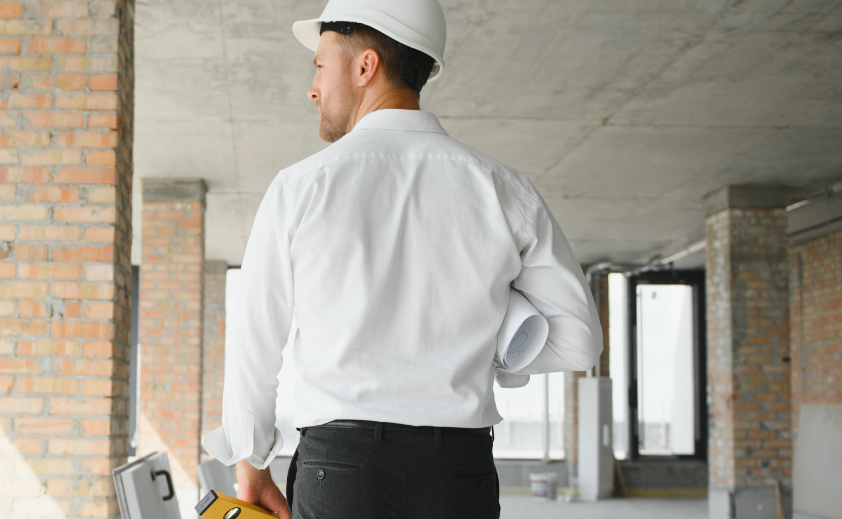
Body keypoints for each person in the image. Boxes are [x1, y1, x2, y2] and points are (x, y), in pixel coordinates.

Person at [199, 1, 604, 517]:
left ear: (365, 66)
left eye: (320, 65)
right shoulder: (503, 190)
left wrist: (251, 462)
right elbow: (578, 342)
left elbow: (256, 341)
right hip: (460, 474)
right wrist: (493, 344)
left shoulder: (302, 187)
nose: (313, 87)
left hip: (342, 473)